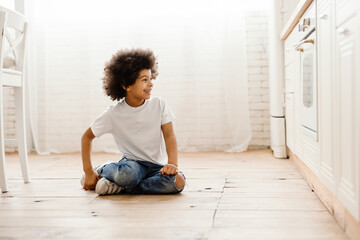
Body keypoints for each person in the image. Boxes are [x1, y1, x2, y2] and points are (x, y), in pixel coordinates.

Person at [80, 48, 185, 195]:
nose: (151, 84)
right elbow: (86, 137)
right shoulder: (113, 113)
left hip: (157, 167)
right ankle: (102, 170)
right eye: (144, 80)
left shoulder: (159, 104)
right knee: (128, 176)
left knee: (178, 182)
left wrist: (172, 164)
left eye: (150, 78)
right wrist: (89, 171)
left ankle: (120, 187)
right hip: (132, 166)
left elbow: (169, 136)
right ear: (126, 85)